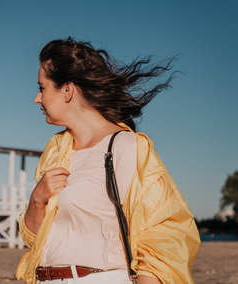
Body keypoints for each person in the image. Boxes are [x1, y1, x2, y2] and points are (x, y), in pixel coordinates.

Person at [16, 37, 200, 284]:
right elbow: (34, 240)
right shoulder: (56, 150)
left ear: (67, 90)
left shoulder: (126, 147)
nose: (37, 99)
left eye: (42, 88)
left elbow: (162, 234)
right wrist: (36, 201)